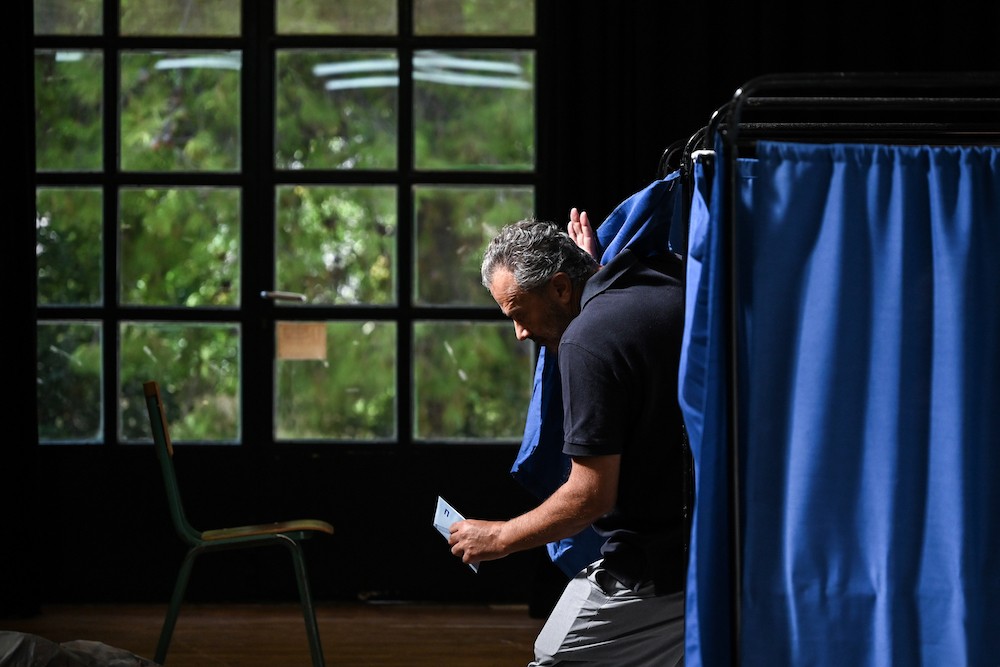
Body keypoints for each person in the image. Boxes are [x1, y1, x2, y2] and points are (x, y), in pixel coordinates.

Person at [448, 213, 689, 666]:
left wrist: (500, 537)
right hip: (721, 548)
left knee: (554, 656)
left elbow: (590, 496)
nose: (520, 332)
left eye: (519, 312)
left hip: (657, 569)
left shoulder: (586, 340)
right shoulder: (663, 279)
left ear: (560, 287)